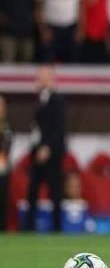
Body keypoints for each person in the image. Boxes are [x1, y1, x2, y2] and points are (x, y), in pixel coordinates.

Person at [25, 64, 66, 232]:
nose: (39, 79)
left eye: (42, 76)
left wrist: (47, 147)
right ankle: (29, 227)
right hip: (38, 151)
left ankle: (57, 227)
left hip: (52, 153)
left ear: (50, 78)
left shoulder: (58, 99)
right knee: (32, 190)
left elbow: (59, 127)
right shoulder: (40, 99)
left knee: (55, 190)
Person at [0, 95, 11, 231]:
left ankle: (2, 229)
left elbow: (7, 148)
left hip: (2, 168)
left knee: (2, 201)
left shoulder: (6, 128)